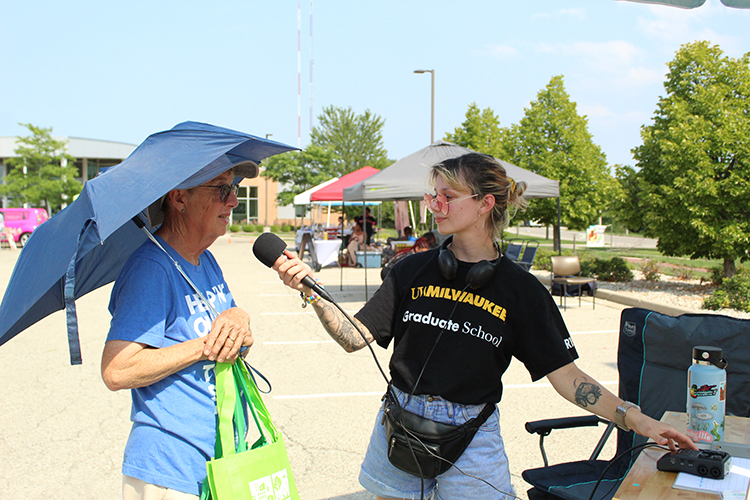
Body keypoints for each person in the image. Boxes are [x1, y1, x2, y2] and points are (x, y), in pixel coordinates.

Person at [272, 153, 696, 500]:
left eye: (447, 196)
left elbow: (568, 377)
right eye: (432, 196)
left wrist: (637, 420)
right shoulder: (411, 270)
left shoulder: (521, 291)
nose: (434, 205)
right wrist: (310, 291)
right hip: (400, 423)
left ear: (484, 203)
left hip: (472, 437)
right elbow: (354, 336)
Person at [101, 167, 254, 499]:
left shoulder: (205, 260)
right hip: (169, 466)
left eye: (235, 189)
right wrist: (204, 347)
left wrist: (241, 319)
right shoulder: (151, 269)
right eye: (221, 189)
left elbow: (230, 329)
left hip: (217, 454)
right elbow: (116, 370)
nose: (233, 201)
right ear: (179, 197)